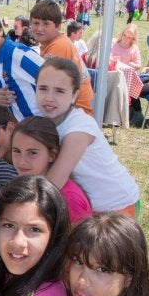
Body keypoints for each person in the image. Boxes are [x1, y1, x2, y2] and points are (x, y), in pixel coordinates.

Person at [36, 57, 140, 217]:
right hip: (88, 207)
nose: (49, 97)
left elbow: (53, 182)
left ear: (74, 95)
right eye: (43, 88)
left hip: (117, 207)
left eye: (59, 91)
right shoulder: (44, 119)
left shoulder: (78, 126)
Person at [11, 116, 92, 224]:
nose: (21, 162)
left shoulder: (68, 199)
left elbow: (81, 240)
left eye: (32, 153)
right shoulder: (25, 181)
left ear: (52, 155)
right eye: (16, 151)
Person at [30, 0, 94, 115]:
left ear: (58, 26)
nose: (39, 28)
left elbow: (43, 83)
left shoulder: (59, 45)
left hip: (76, 111)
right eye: (35, 23)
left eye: (46, 24)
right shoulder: (53, 42)